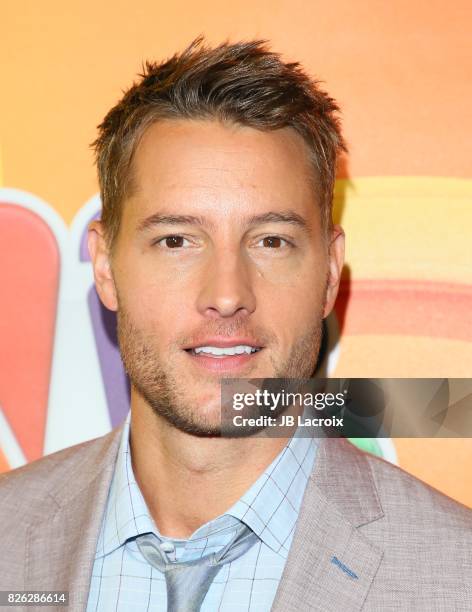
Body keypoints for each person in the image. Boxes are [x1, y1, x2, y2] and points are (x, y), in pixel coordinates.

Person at [0, 38, 471, 612]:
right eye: (176, 240)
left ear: (328, 272)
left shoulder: (455, 575)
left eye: (271, 241)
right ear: (104, 266)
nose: (226, 295)